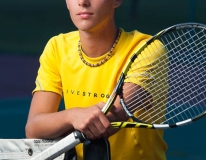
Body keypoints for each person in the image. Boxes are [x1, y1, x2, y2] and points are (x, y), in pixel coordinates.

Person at [25, 0, 168, 159]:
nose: (83, 2)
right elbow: (34, 128)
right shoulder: (57, 48)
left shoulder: (147, 50)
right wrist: (72, 116)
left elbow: (110, 118)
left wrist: (57, 124)